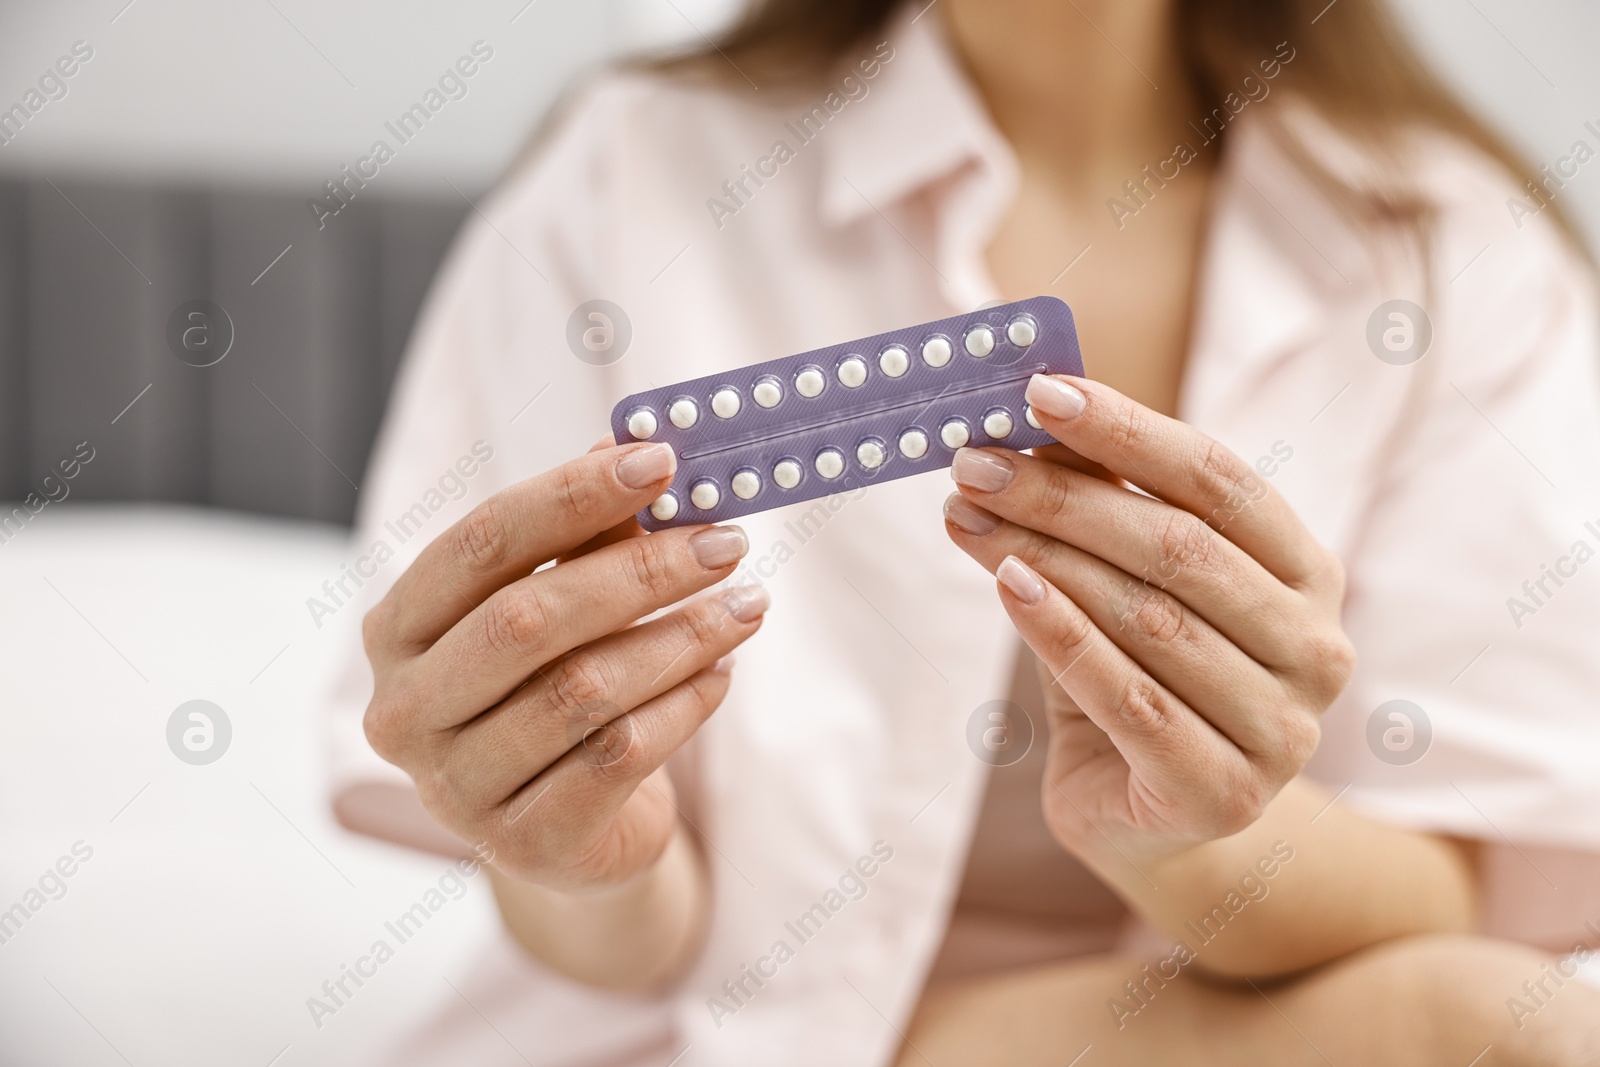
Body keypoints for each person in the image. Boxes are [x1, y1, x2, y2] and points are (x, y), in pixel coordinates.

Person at [323, 0, 1600, 1062]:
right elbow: (612, 921)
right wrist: (581, 850)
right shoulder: (628, 173)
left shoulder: (1452, 253)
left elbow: (1460, 887)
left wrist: (1184, 826)